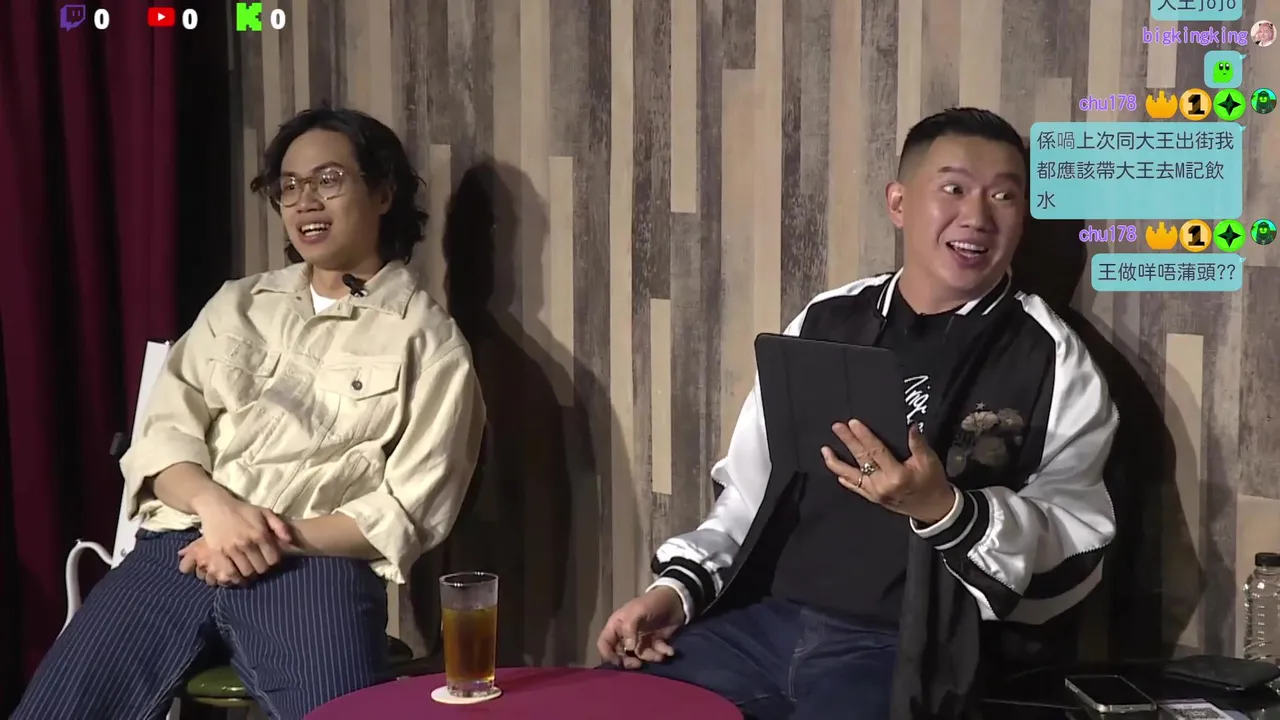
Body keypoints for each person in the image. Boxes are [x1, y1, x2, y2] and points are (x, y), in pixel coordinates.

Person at [597, 108, 1119, 720]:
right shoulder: (828, 320)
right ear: (899, 203)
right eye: (953, 189)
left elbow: (1078, 540)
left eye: (1003, 196)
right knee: (603, 701)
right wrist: (676, 591)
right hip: (764, 626)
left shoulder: (1050, 355)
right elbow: (750, 488)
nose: (977, 217)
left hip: (911, 647)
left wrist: (946, 509)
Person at [14, 107, 487, 720]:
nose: (305, 201)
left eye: (328, 180)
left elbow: (409, 510)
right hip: (179, 545)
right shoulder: (236, 305)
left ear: (383, 192)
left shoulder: (429, 341)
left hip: (316, 568)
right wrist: (216, 510)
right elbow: (163, 439)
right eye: (289, 186)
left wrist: (263, 537)